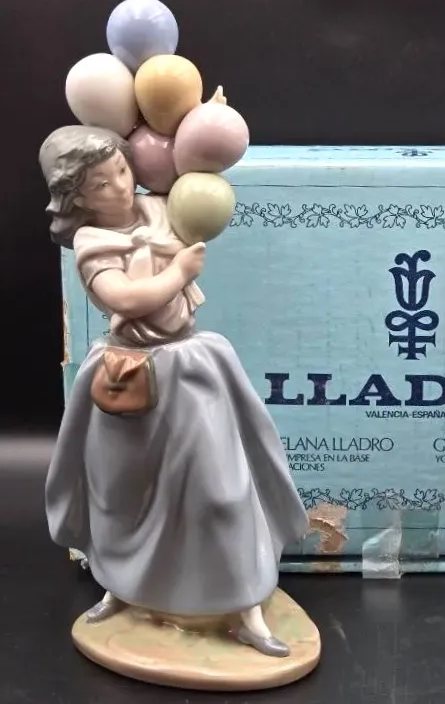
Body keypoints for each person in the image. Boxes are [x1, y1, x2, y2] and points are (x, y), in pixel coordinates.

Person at [40, 125, 310, 658]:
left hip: (188, 366)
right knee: (122, 492)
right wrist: (179, 270)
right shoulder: (91, 243)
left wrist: (203, 123)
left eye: (122, 170)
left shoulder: (159, 205)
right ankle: (122, 586)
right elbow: (124, 298)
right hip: (128, 373)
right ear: (78, 199)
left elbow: (195, 175)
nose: (121, 186)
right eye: (100, 184)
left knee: (221, 489)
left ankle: (247, 607)